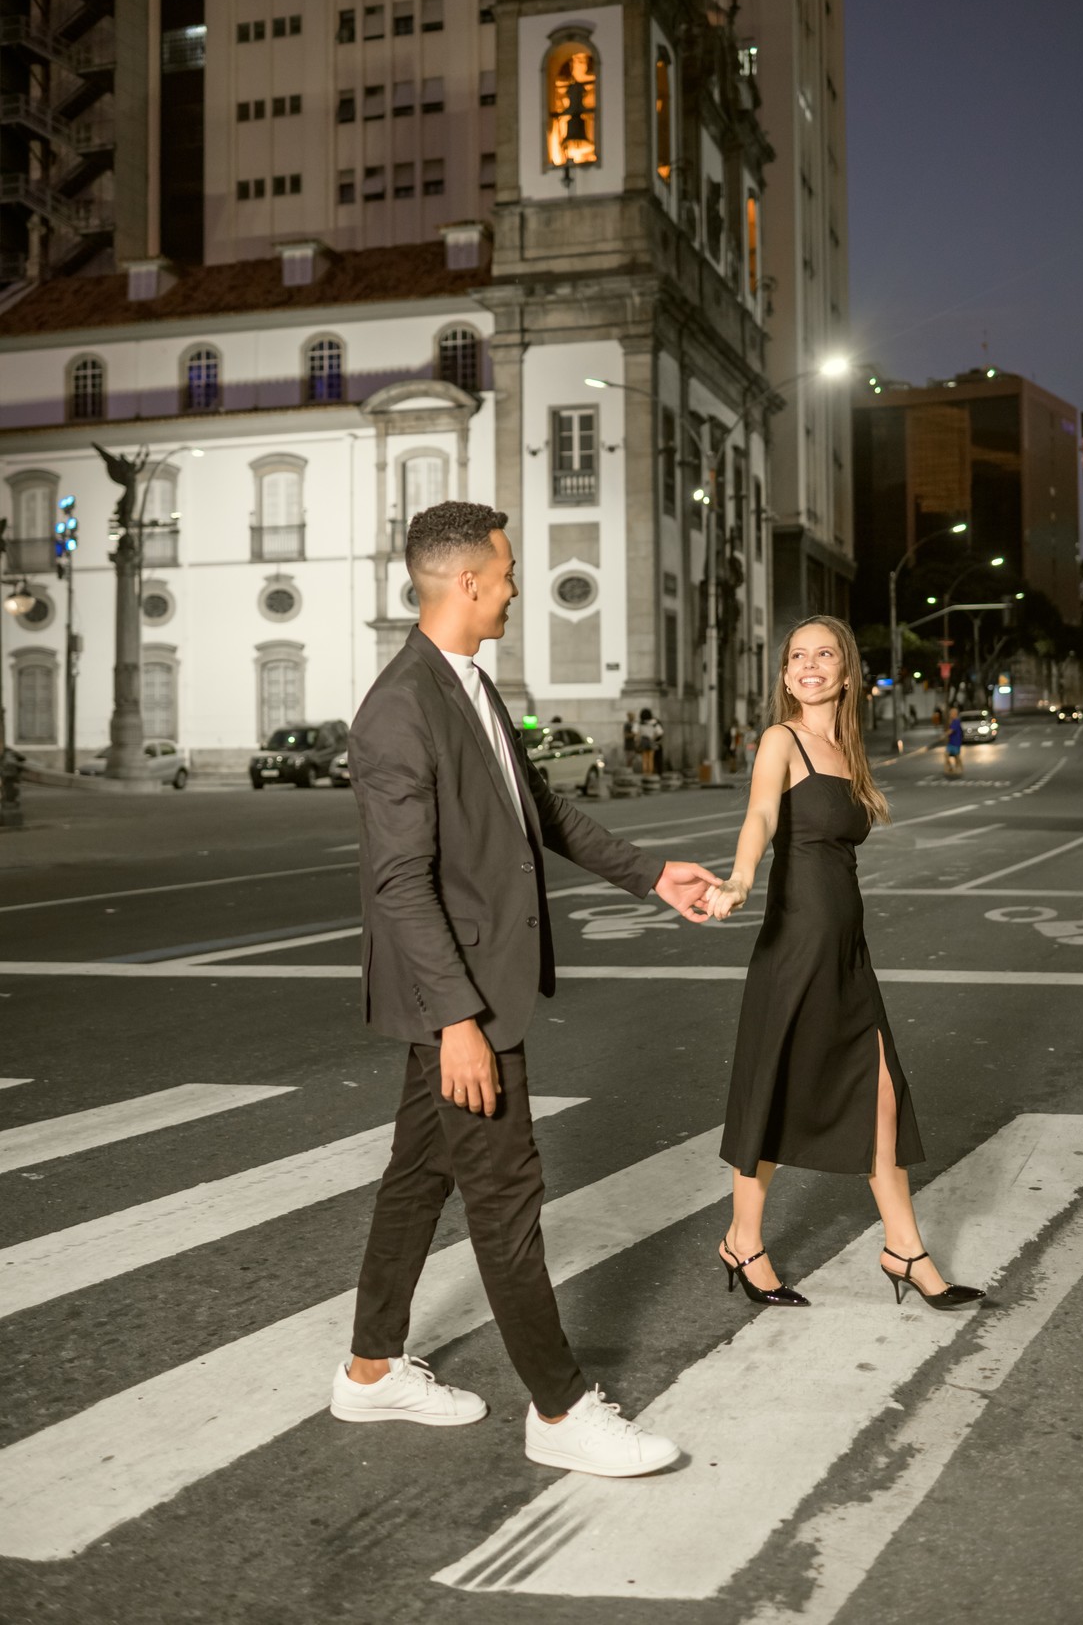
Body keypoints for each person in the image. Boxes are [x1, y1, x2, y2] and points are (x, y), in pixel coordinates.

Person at [332, 500, 720, 1477]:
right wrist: (458, 1018)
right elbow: (397, 884)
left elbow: (536, 809)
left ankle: (371, 1369)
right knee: (506, 1195)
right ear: (465, 582)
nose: (513, 585)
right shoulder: (399, 707)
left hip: (470, 984)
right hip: (461, 994)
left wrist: (649, 873)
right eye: (505, 572)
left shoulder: (467, 683)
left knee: (421, 1177)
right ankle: (559, 1408)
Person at [704, 615, 982, 1313]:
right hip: (797, 944)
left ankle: (905, 1248)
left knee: (882, 1095)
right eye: (797, 654)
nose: (809, 664)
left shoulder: (847, 748)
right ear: (786, 674)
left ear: (848, 673)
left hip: (847, 952)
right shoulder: (783, 739)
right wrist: (739, 879)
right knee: (774, 1086)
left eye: (824, 653)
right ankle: (744, 1239)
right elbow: (761, 816)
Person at [637, 706, 662, 776]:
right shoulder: (654, 723)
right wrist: (654, 737)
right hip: (651, 740)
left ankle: (645, 773)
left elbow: (637, 733)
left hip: (644, 740)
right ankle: (650, 773)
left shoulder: (640, 723)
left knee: (645, 759)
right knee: (651, 759)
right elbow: (660, 732)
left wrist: (638, 741)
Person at [943, 704, 964, 779]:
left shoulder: (956, 721)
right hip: (951, 742)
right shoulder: (952, 721)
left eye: (951, 713)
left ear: (954, 714)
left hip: (956, 742)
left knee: (957, 757)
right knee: (946, 754)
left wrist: (944, 735)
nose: (950, 714)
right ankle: (951, 768)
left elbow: (951, 731)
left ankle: (959, 768)